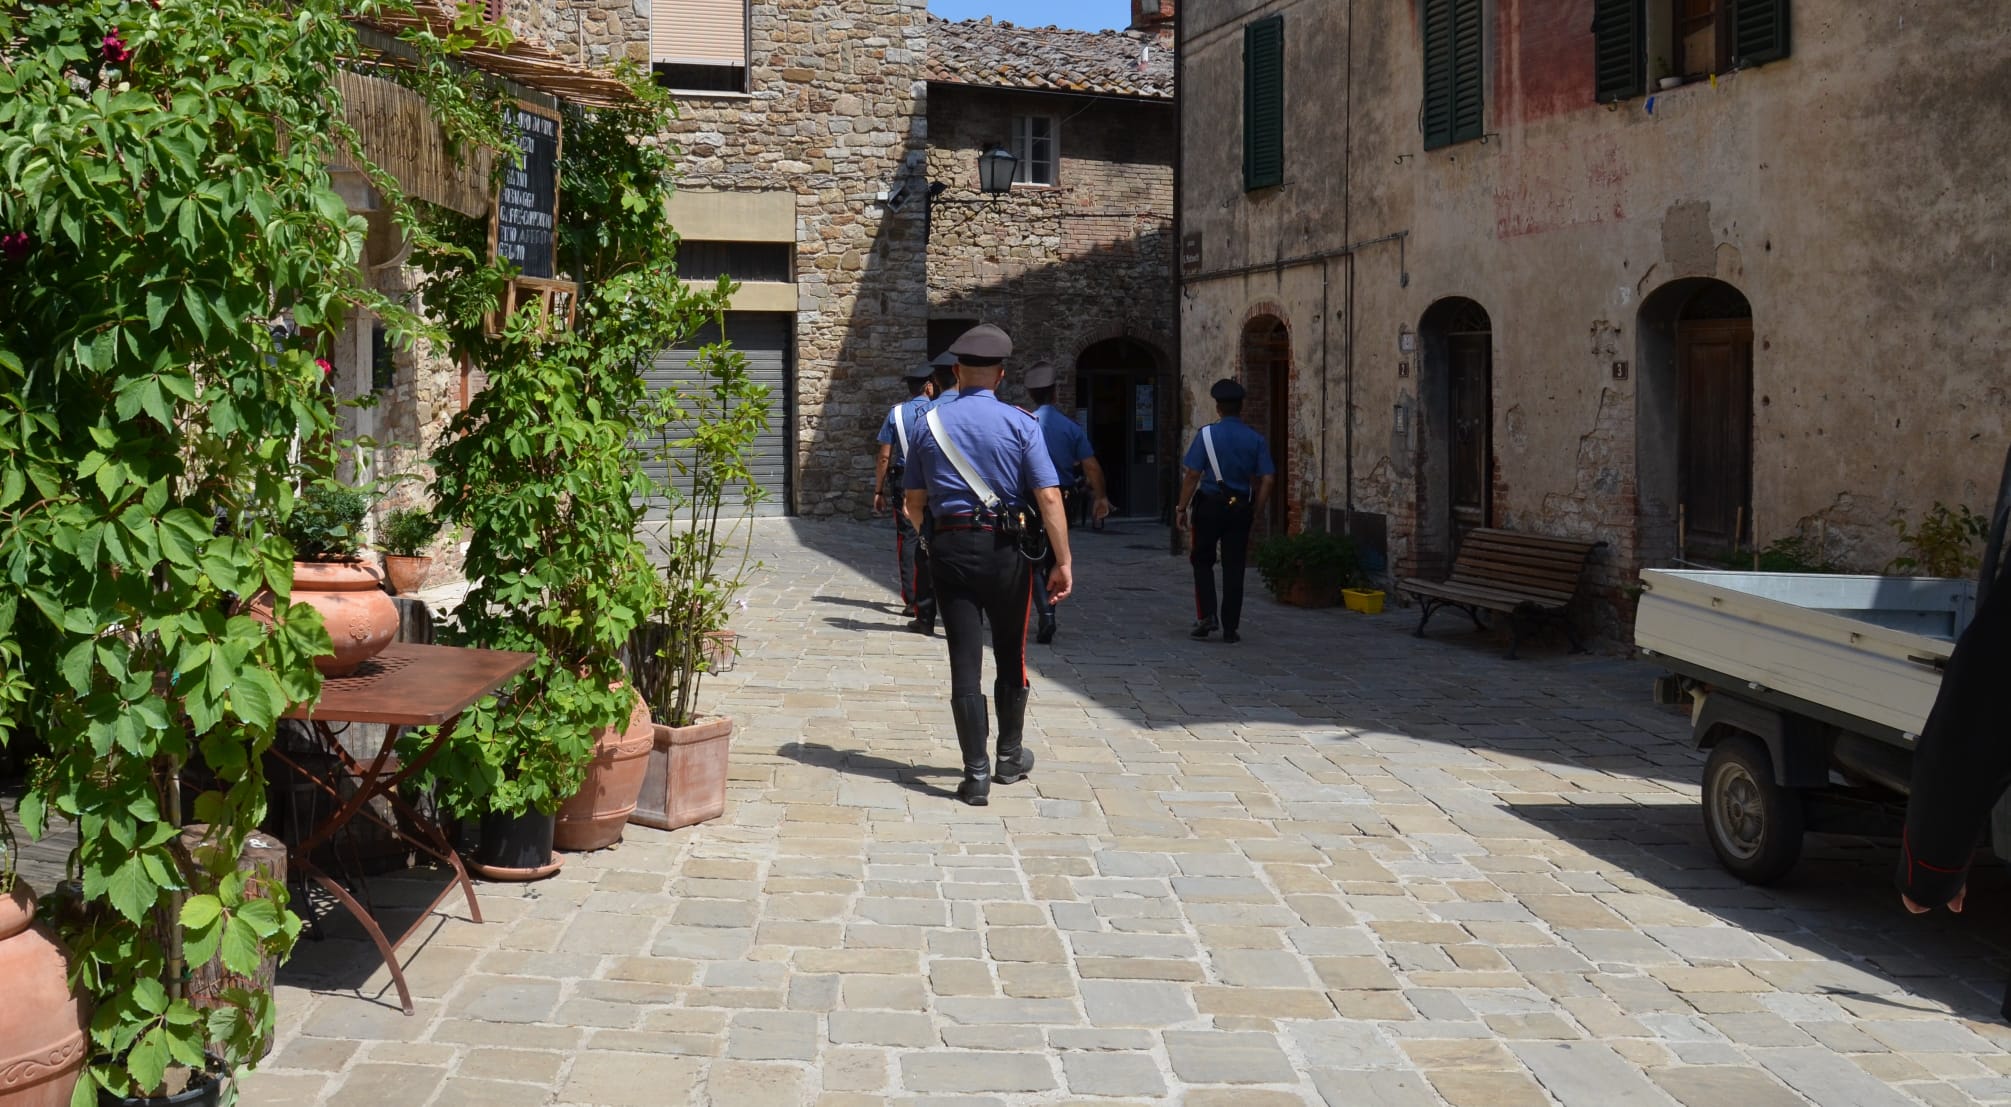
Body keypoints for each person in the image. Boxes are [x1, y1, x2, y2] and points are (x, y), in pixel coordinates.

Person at [903, 324, 1074, 806]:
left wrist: (929, 540)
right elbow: (1049, 496)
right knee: (1010, 653)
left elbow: (914, 501)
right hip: (1007, 552)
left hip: (951, 549)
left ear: (956, 372)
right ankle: (1009, 756)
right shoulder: (1022, 423)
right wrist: (1062, 561)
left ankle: (974, 775)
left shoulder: (928, 424)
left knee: (963, 659)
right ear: (1000, 375)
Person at [1175, 379, 1275, 644]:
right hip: (1241, 507)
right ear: (1241, 408)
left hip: (1209, 504)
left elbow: (1192, 474)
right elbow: (1268, 479)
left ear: (1218, 408)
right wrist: (1257, 509)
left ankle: (1207, 616)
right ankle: (1231, 627)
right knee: (1234, 566)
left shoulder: (1206, 435)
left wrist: (1181, 507)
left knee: (1202, 560)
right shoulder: (1255, 439)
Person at [1023, 360, 1112, 644]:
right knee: (1054, 556)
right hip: (1062, 499)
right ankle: (1050, 611)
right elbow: (1092, 467)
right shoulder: (1070, 428)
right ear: (1055, 394)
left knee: (1033, 560)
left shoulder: (1025, 424)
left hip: (1030, 498)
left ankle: (1045, 615)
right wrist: (1100, 496)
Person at [874, 363, 938, 622]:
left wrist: (878, 490)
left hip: (905, 481)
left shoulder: (896, 414)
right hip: (936, 480)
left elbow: (884, 456)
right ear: (928, 386)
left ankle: (913, 599)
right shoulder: (939, 410)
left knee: (908, 538)